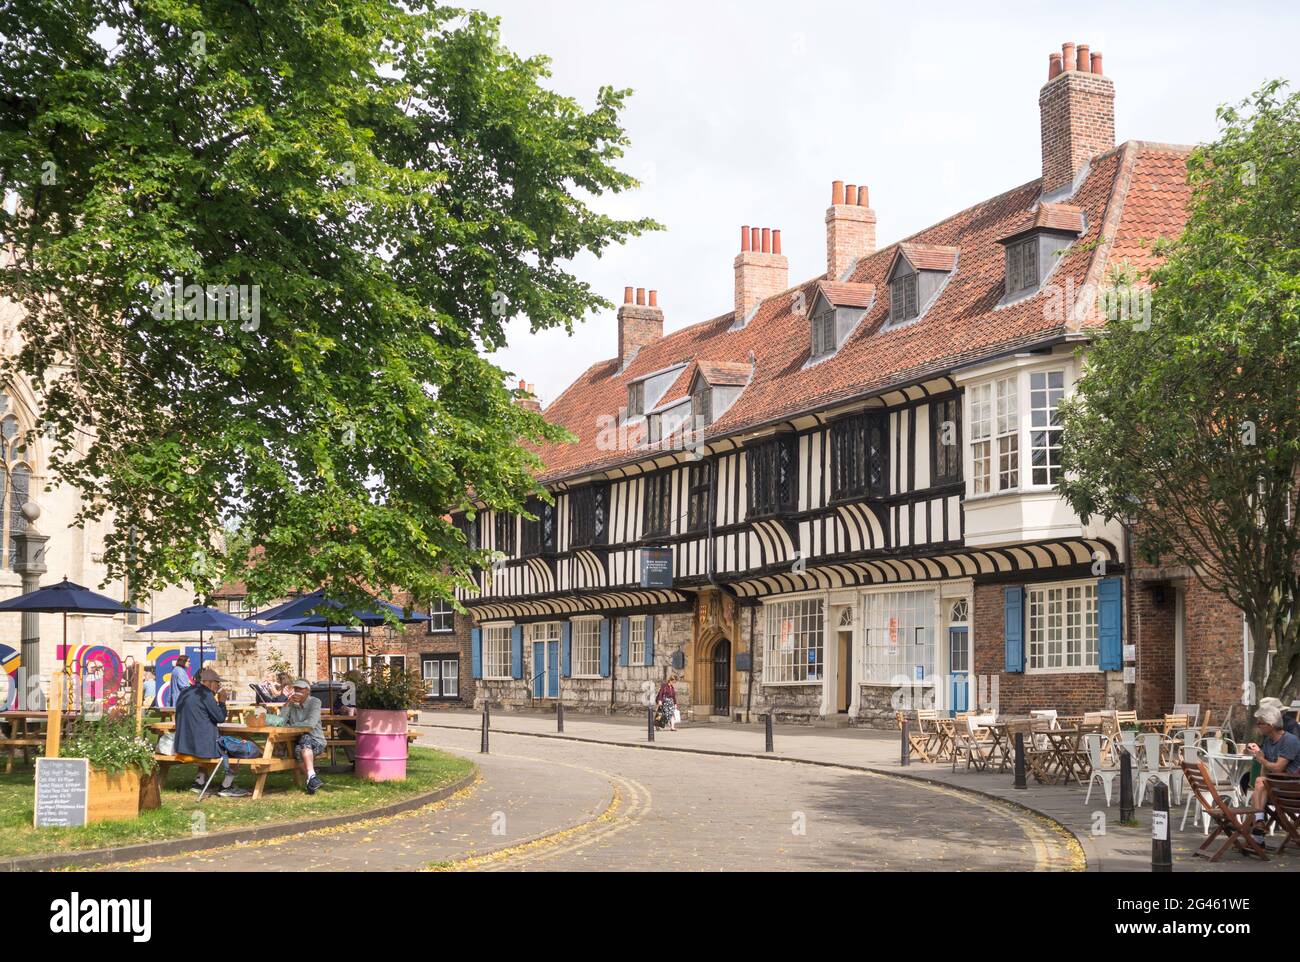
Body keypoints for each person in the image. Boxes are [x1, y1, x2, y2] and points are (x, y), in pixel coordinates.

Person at [174, 667, 254, 798]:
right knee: (236, 749)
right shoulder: (206, 695)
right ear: (209, 683)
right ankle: (226, 786)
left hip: (183, 745)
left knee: (212, 742)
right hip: (202, 747)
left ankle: (199, 782)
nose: (218, 686)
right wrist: (222, 702)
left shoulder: (185, 693)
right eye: (218, 683)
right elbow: (220, 718)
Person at [1246, 705, 1300, 835]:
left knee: (1259, 785)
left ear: (1270, 725)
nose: (1258, 726)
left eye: (1260, 723)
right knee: (1258, 787)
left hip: (1293, 788)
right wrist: (1261, 755)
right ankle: (1258, 831)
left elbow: (1277, 768)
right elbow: (1264, 774)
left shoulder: (1289, 740)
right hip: (1278, 786)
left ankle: (1257, 826)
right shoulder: (1268, 741)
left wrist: (1262, 760)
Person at [280, 679, 326, 794]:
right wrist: (287, 704)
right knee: (301, 746)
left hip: (316, 740)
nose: (297, 691)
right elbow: (280, 722)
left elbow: (310, 724)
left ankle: (310, 778)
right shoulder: (292, 705)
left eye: (300, 689)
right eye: (295, 689)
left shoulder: (315, 702)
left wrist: (292, 726)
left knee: (304, 740)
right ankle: (312, 778)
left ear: (307, 691)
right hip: (298, 742)